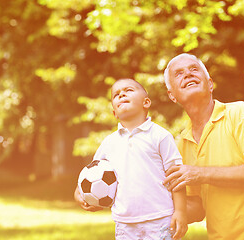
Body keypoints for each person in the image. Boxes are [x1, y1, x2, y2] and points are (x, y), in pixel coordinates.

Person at [162, 53, 244, 240]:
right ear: (172, 96)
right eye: (179, 73)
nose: (188, 74)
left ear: (210, 84)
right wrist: (149, 206)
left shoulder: (239, 113)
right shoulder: (181, 144)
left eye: (194, 69)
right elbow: (198, 207)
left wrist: (199, 173)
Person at [74, 78, 188, 240]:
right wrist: (79, 193)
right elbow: (92, 174)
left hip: (160, 218)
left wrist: (180, 211)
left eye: (128, 90)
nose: (121, 94)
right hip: (125, 223)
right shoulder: (109, 143)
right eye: (116, 95)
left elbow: (176, 176)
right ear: (114, 113)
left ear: (146, 102)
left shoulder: (160, 136)